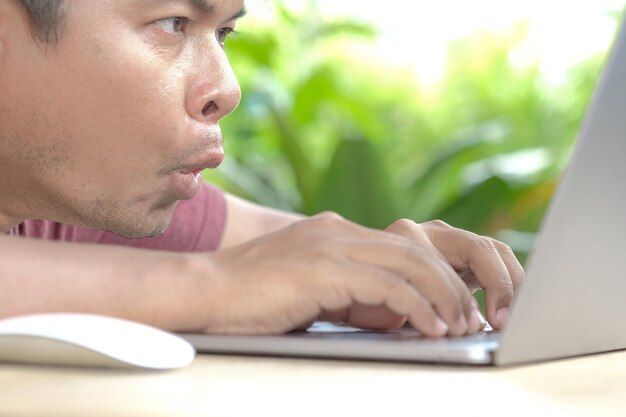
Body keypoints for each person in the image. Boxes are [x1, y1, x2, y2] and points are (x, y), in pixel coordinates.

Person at [0, 0, 523, 338]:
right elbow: (239, 271)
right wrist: (216, 286)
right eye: (173, 22)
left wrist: (384, 262)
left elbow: (277, 249)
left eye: (224, 33)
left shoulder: (64, 195)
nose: (227, 90)